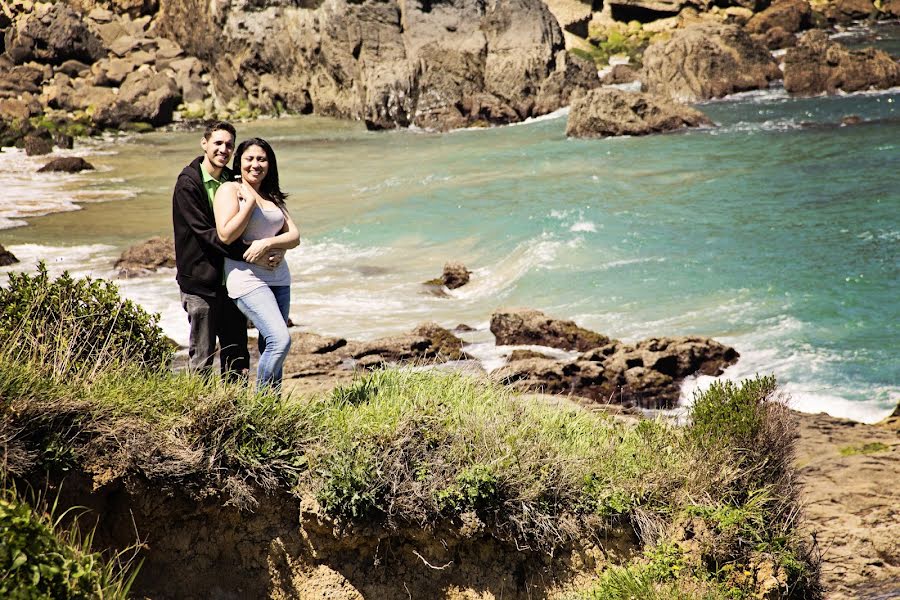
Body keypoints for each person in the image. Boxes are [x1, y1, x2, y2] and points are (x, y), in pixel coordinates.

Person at [172, 121, 283, 380]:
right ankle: (197, 414)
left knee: (237, 355)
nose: (223, 149)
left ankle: (235, 412)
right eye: (218, 143)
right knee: (202, 357)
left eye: (229, 145)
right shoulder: (189, 184)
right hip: (201, 283)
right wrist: (252, 252)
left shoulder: (232, 180)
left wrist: (274, 247)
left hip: (232, 280)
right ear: (204, 143)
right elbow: (208, 235)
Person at [213, 138, 300, 392]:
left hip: (279, 279)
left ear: (270, 164)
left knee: (270, 346)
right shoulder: (230, 190)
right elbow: (226, 235)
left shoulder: (272, 195)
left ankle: (272, 409)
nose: (255, 164)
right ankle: (262, 404)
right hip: (246, 279)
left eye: (262, 159)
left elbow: (294, 236)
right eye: (249, 159)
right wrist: (249, 204)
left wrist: (271, 245)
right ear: (239, 162)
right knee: (280, 340)